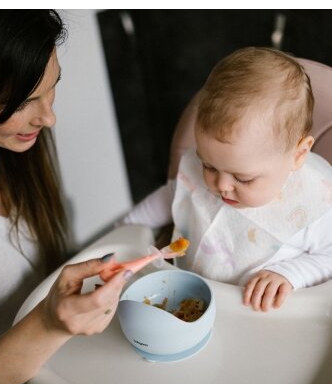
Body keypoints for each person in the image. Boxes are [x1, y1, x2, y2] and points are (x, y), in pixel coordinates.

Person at [0, 10, 132, 384]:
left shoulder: (10, 147)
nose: (49, 118)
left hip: (58, 364)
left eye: (52, 86)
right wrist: (47, 325)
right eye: (24, 101)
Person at [120, 47, 332, 312]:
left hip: (260, 315)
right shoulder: (209, 169)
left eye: (243, 179)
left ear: (298, 155)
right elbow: (174, 195)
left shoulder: (315, 202)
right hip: (192, 300)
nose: (220, 185)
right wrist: (126, 230)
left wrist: (290, 274)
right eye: (208, 165)